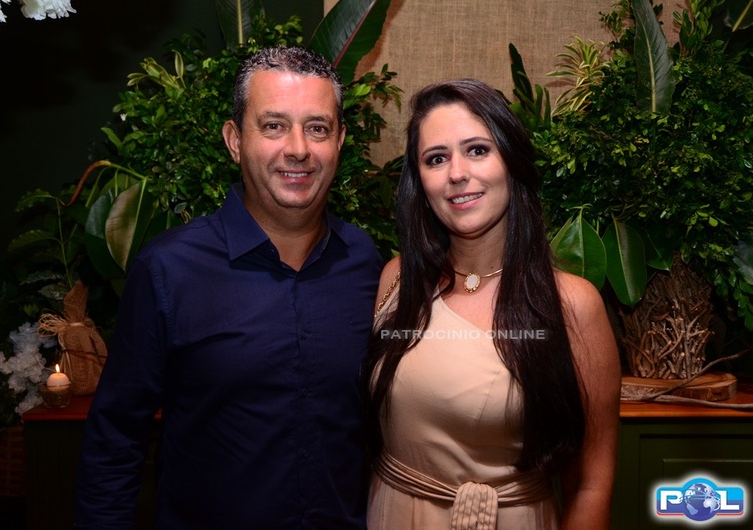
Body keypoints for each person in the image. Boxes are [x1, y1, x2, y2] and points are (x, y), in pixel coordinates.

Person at [74, 46, 383, 530]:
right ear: (235, 140)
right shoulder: (169, 270)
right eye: (274, 125)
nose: (298, 148)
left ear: (339, 140)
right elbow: (115, 440)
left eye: (317, 128)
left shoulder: (365, 263)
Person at [363, 79, 621, 529]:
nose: (457, 173)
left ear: (511, 160)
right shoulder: (398, 278)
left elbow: (590, 484)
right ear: (420, 182)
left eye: (478, 150)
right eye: (436, 158)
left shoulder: (572, 304)